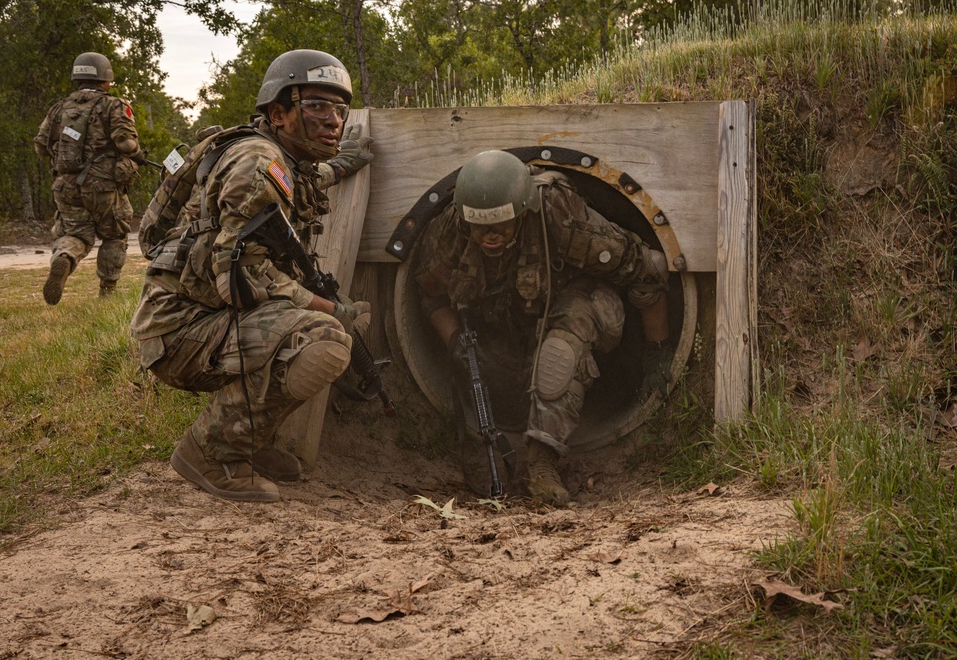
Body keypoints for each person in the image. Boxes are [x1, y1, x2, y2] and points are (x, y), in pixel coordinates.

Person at [130, 49, 374, 503]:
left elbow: (299, 178)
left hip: (190, 319)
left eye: (339, 109)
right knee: (322, 339)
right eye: (317, 106)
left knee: (314, 332)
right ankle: (212, 453)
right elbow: (241, 280)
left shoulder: (267, 152)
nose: (333, 121)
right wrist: (331, 310)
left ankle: (248, 442)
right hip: (183, 330)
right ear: (278, 113)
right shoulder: (258, 163)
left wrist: (341, 166)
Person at [413, 150, 673, 507]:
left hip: (575, 304)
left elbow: (649, 269)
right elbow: (429, 295)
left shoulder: (559, 215)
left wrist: (656, 353)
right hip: (506, 327)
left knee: (560, 355)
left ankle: (542, 463)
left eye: (501, 225)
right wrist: (455, 340)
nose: (490, 236)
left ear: (524, 212)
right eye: (480, 227)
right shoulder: (449, 231)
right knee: (504, 405)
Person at [34, 52, 146, 303]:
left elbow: (40, 146)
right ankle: (107, 291)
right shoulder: (114, 105)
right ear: (105, 78)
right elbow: (126, 143)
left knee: (75, 234)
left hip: (66, 185)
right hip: (103, 186)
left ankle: (64, 257)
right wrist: (138, 155)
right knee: (114, 235)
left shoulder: (59, 108)